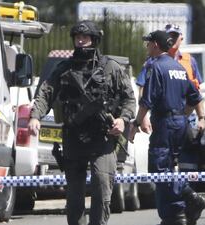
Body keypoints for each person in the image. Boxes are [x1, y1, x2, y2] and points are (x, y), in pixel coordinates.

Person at [28, 20, 136, 225]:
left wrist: (122, 120)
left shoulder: (110, 68)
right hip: (73, 138)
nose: (80, 41)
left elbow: (129, 99)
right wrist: (35, 116)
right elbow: (45, 93)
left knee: (102, 185)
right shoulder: (64, 69)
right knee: (75, 195)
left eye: (84, 37)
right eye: (77, 37)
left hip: (102, 139)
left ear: (94, 39)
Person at [129, 30, 205, 225]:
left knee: (159, 168)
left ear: (155, 44)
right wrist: (182, 115)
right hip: (179, 123)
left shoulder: (156, 67)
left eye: (148, 44)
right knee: (169, 167)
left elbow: (147, 100)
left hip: (164, 123)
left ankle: (190, 198)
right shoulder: (178, 67)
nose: (146, 47)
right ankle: (175, 215)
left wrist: (136, 123)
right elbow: (195, 97)